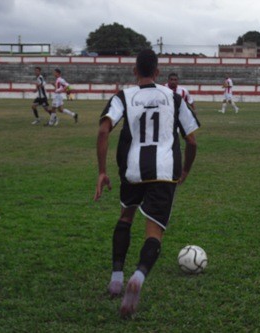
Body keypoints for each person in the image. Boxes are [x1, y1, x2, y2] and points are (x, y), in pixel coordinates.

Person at [94, 49, 200, 318]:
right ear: (157, 72)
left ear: (134, 71)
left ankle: (117, 277)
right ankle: (138, 277)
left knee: (126, 216)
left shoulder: (124, 96)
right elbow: (192, 140)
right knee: (154, 232)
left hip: (133, 169)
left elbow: (104, 129)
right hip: (165, 171)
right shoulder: (174, 98)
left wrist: (102, 171)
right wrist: (185, 169)